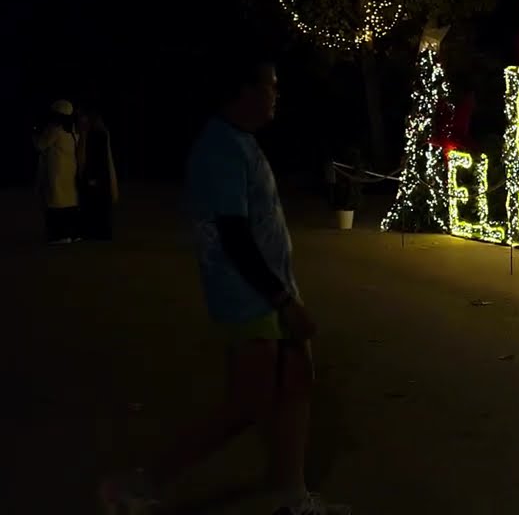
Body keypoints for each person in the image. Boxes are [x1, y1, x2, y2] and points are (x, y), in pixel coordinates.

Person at [99, 55, 348, 515]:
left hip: (272, 288)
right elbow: (234, 236)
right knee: (248, 403)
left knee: (297, 381)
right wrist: (282, 300)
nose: (277, 94)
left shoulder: (241, 142)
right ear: (244, 91)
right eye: (271, 85)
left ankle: (292, 496)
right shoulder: (219, 149)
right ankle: (138, 484)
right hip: (246, 296)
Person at [33, 99, 79, 244]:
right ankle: (71, 233)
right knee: (70, 204)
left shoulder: (54, 129)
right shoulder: (72, 131)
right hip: (70, 172)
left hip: (55, 174)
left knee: (55, 204)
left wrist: (34, 133)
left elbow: (40, 145)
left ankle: (58, 236)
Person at [76, 108, 119, 240]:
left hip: (95, 177)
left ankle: (95, 232)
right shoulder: (98, 133)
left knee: (95, 206)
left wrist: (92, 176)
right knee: (96, 206)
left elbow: (97, 158)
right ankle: (97, 232)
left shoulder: (96, 135)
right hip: (98, 177)